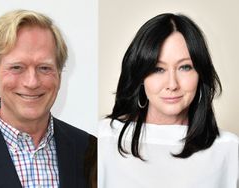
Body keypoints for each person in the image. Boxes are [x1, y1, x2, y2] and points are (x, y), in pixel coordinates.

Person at [0, 9, 95, 188]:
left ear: (59, 76)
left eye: (44, 68)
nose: (32, 82)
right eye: (17, 67)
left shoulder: (90, 150)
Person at [99, 13, 238, 188]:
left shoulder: (230, 150)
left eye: (185, 67)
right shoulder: (103, 140)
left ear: (200, 73)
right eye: (158, 69)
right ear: (140, 76)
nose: (172, 84)